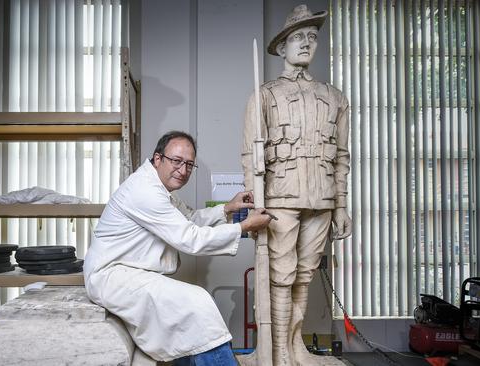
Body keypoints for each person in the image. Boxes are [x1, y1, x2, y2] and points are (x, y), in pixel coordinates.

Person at [84, 130, 272, 365]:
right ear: (158, 159)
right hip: (110, 275)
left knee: (187, 314)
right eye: (176, 161)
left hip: (129, 272)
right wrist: (243, 227)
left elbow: (189, 218)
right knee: (196, 303)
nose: (183, 170)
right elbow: (190, 238)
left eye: (189, 165)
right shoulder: (145, 191)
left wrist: (227, 208)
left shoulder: (160, 190)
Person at [241, 5, 352, 366]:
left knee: (303, 275)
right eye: (298, 37)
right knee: (281, 274)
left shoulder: (335, 98)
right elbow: (249, 155)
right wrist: (254, 205)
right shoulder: (265, 96)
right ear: (282, 47)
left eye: (312, 37)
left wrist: (342, 205)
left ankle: (295, 346)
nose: (306, 43)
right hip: (279, 199)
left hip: (321, 197)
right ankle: (275, 352)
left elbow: (342, 157)